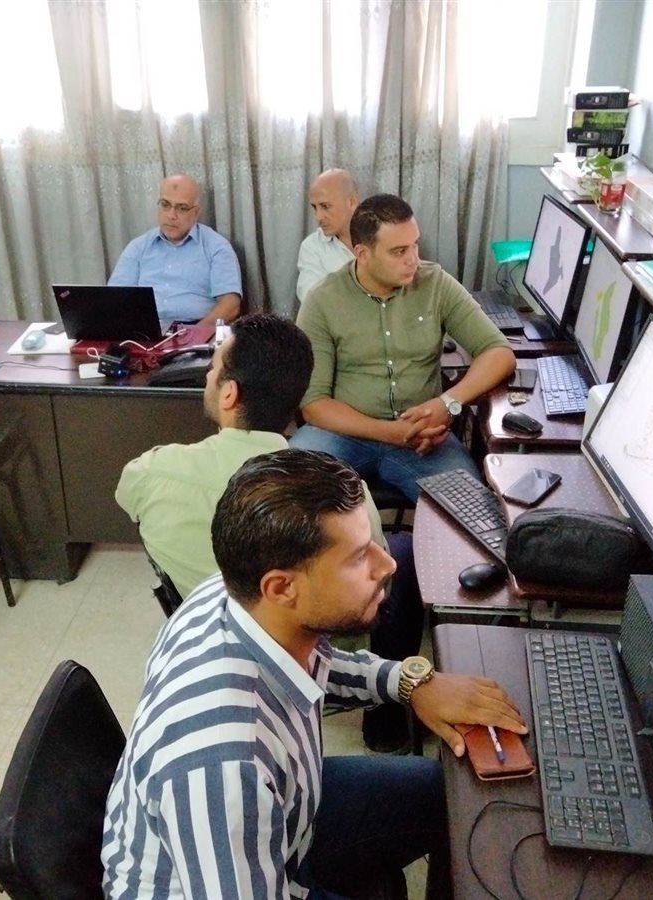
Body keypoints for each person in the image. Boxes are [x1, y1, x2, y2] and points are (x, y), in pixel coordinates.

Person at [102, 448, 528, 900]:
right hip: (233, 878)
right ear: (282, 587)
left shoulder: (236, 594)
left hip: (287, 819)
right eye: (359, 557)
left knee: (446, 793)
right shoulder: (224, 766)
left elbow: (317, 664)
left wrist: (410, 683)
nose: (388, 566)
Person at [115, 313, 424, 752]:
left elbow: (128, 499)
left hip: (222, 640)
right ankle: (386, 725)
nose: (207, 376)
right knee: (403, 553)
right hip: (317, 648)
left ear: (229, 393)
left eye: (212, 369)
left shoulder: (151, 473)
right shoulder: (338, 495)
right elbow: (373, 587)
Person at [291, 194, 516, 502]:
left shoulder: (435, 283)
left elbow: (498, 352)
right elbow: (314, 404)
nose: (413, 259)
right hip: (341, 435)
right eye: (399, 251)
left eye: (415, 245)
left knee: (471, 511)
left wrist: (448, 403)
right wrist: (391, 432)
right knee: (286, 498)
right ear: (362, 254)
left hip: (424, 438)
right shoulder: (323, 299)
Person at [108, 174, 242, 330]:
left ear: (196, 213)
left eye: (182, 208)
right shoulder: (138, 247)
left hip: (196, 328)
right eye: (165, 205)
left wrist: (195, 334)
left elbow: (230, 305)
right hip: (144, 331)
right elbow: (115, 299)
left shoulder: (216, 247)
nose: (171, 215)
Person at [296, 168, 358, 303]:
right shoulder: (312, 247)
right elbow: (311, 300)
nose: (318, 217)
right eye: (314, 207)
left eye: (325, 206)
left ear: (351, 202)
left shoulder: (382, 236)